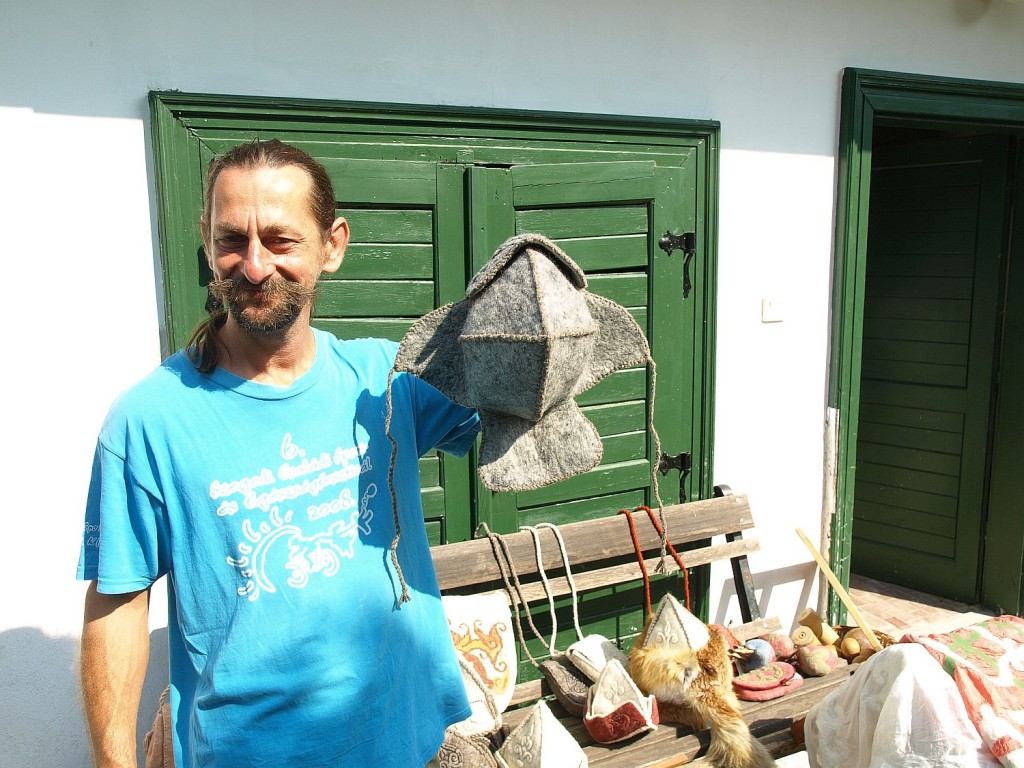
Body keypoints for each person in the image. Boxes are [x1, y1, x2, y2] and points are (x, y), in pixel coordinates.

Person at [77, 139, 480, 768]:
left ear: (332, 245)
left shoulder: (390, 379)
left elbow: (510, 408)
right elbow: (116, 602)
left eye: (280, 240)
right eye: (231, 240)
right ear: (206, 242)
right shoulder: (149, 421)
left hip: (407, 743)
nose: (254, 265)